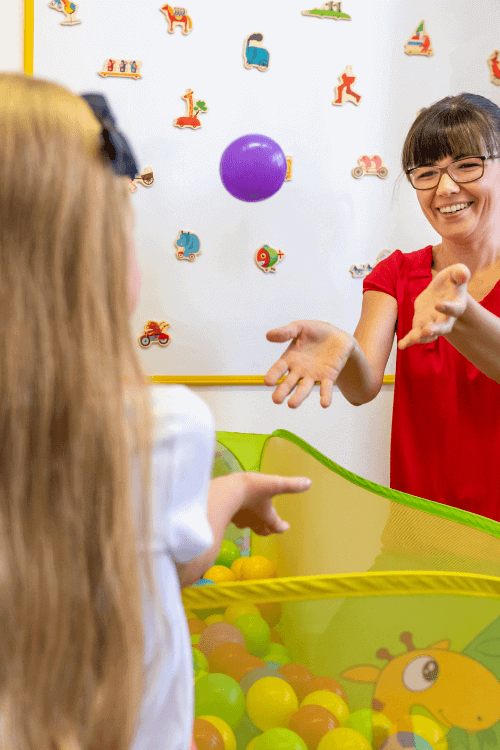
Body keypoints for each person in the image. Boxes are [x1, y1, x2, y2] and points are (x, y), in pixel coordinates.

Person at [0, 73, 311, 750]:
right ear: (91, 255)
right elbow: (177, 561)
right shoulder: (160, 427)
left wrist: (229, 486)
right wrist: (226, 494)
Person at [265, 92, 500, 522]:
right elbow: (363, 386)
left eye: (467, 165)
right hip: (419, 528)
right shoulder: (396, 273)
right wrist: (342, 348)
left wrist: (463, 314)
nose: (445, 188)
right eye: (426, 173)